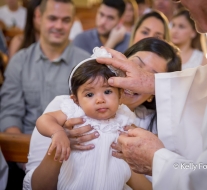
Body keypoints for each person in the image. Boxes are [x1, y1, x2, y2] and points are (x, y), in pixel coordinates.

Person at [23, 37, 181, 190]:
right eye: (136, 66)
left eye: (149, 77)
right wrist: (60, 138)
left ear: (155, 91)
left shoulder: (144, 128)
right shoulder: (69, 108)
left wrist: (130, 160)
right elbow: (37, 187)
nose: (136, 79)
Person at [95, 0, 207, 189]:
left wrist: (158, 159)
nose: (177, 1)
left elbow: (200, 174)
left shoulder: (152, 128)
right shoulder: (72, 107)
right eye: (136, 64)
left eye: (155, 75)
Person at [0, 0, 89, 135]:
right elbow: (10, 113)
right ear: (38, 17)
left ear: (72, 23)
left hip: (73, 145)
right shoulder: (19, 61)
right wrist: (21, 147)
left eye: (66, 20)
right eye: (52, 18)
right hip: (25, 142)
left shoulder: (85, 64)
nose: (59, 26)